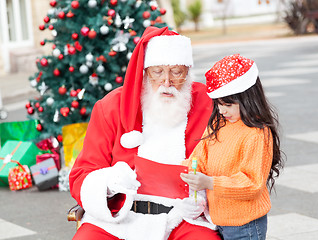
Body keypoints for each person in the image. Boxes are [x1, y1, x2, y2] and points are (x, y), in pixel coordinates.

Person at [69, 26, 221, 240]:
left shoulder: (209, 105)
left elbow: (234, 160)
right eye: (157, 72)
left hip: (183, 217)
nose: (166, 82)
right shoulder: (111, 107)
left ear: (187, 71)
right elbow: (81, 174)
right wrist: (111, 181)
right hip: (120, 217)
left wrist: (203, 195)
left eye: (176, 72)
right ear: (145, 71)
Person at [181, 54, 285, 240]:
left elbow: (252, 183)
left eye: (228, 104)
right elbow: (199, 157)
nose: (221, 111)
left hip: (246, 224)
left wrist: (209, 182)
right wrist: (185, 170)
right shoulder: (218, 124)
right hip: (217, 219)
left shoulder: (256, 133)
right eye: (218, 104)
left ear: (248, 99)